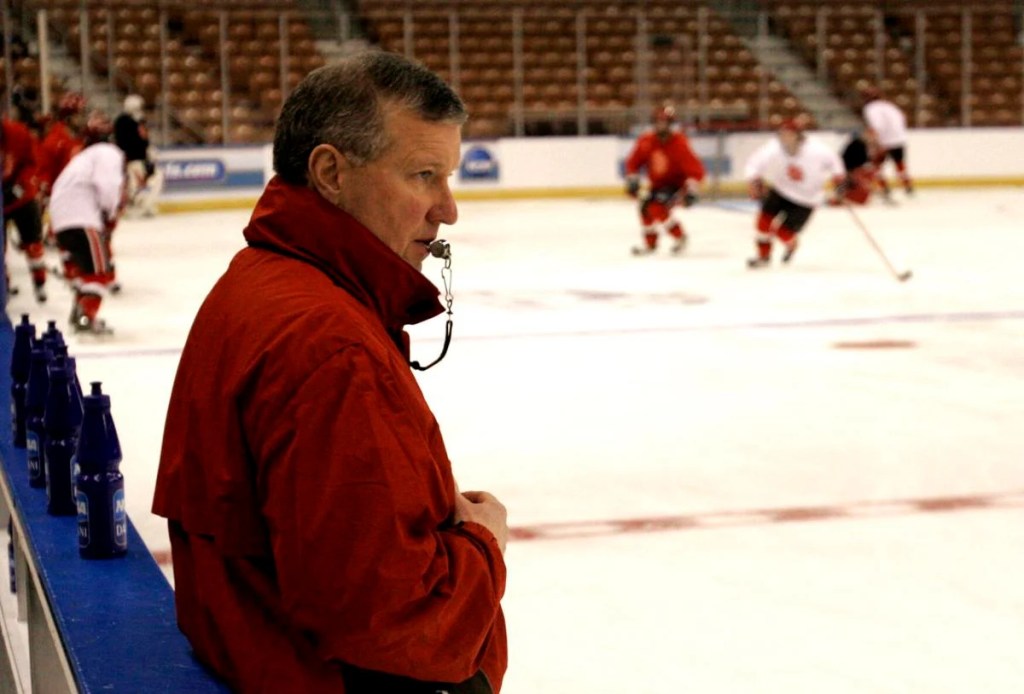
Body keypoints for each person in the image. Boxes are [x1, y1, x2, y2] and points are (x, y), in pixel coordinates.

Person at [152, 52, 508, 693]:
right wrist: (482, 547)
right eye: (423, 175)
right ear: (330, 172)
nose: (447, 209)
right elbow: (387, 619)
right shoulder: (328, 346)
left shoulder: (266, 281)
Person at [48, 111, 125, 334]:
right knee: (99, 273)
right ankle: (86, 319)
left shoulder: (82, 157)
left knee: (84, 273)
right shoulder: (109, 153)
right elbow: (108, 186)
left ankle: (79, 314)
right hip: (82, 219)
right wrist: (109, 212)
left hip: (61, 222)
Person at [744, 118, 845, 268]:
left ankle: (791, 244)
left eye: (789, 135)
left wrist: (839, 182)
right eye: (782, 135)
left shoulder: (818, 149)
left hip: (806, 199)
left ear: (798, 135)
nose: (785, 139)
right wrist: (754, 180)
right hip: (781, 190)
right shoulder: (775, 146)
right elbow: (755, 162)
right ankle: (763, 256)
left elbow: (835, 165)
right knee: (763, 223)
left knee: (782, 232)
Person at [623, 103, 705, 255]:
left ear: (670, 124)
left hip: (676, 185)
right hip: (657, 185)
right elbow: (633, 162)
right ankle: (650, 244)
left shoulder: (680, 142)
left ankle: (680, 237)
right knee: (644, 209)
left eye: (664, 122)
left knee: (656, 207)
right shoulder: (646, 141)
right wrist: (632, 179)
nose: (660, 125)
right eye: (658, 122)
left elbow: (694, 169)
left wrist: (692, 190)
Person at [2, 116, 48, 302]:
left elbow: (32, 164)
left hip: (22, 196)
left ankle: (39, 283)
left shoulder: (18, 132)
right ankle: (3, 285)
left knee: (33, 244)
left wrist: (19, 188)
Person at [113, 93, 163, 216]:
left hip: (140, 160)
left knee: (156, 178)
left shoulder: (138, 121)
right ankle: (133, 206)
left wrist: (148, 152)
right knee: (133, 186)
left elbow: (143, 140)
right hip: (131, 161)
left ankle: (145, 205)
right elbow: (124, 143)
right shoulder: (123, 122)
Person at [861, 86, 914, 200]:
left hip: (884, 141)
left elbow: (877, 125)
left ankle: (884, 188)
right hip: (899, 139)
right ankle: (907, 187)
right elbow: (902, 118)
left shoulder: (870, 108)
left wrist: (874, 141)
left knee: (876, 166)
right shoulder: (889, 105)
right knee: (900, 164)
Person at [38, 92, 88, 202]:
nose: (84, 119)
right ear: (68, 118)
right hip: (60, 198)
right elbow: (44, 173)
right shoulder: (54, 141)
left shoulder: (77, 139)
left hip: (76, 195)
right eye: (80, 114)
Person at [829, 126, 879, 206]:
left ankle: (840, 198)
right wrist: (851, 171)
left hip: (850, 168)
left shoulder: (859, 144)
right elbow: (855, 158)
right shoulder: (858, 145)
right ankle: (838, 198)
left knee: (847, 184)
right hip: (849, 168)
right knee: (846, 184)